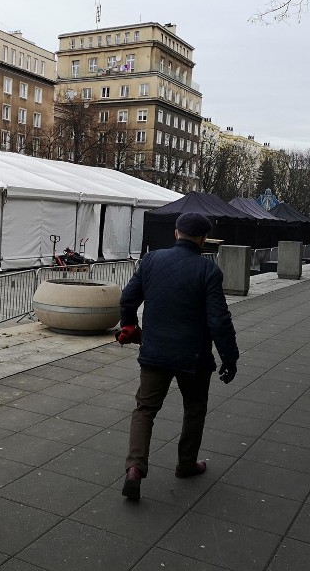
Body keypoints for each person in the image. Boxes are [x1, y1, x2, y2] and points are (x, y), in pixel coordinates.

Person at [117, 212, 239, 500]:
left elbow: (127, 298)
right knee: (194, 410)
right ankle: (186, 464)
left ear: (175, 234)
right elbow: (219, 320)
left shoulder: (151, 261)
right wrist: (229, 357)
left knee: (144, 410)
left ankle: (135, 468)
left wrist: (130, 325)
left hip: (155, 352)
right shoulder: (208, 270)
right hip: (193, 356)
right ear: (203, 239)